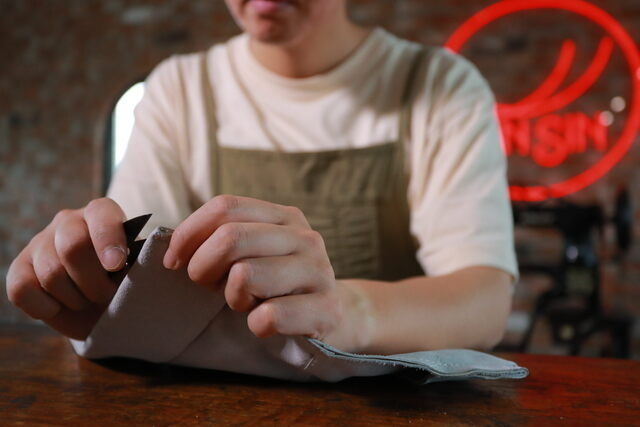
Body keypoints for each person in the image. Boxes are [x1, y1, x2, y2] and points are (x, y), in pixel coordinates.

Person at [6, 0, 517, 356]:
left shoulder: (440, 87)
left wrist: (348, 312)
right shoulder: (181, 90)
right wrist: (91, 284)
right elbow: (133, 284)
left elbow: (485, 302)